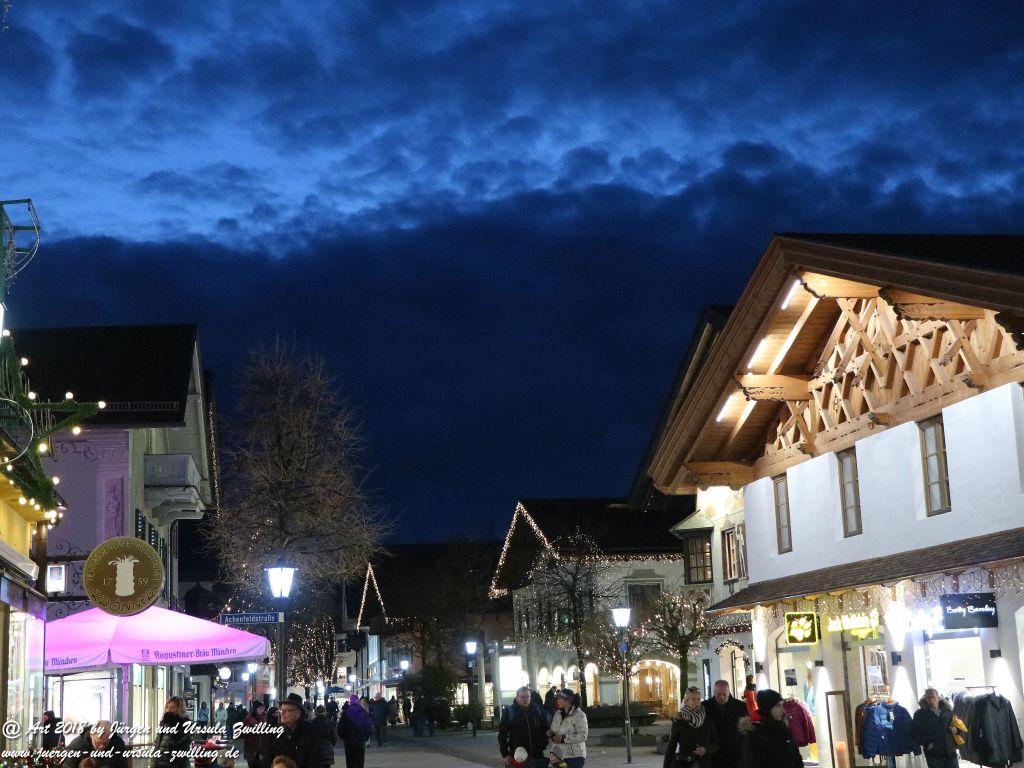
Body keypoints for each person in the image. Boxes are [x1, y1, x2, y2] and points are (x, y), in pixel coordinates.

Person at [741, 690, 803, 768]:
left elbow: (797, 758)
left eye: (782, 705)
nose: (782, 710)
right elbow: (752, 763)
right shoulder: (754, 733)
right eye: (778, 706)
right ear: (767, 708)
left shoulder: (784, 729)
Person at [268, 693, 328, 768]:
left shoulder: (310, 732)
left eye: (287, 711)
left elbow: (316, 760)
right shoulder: (275, 731)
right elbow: (269, 757)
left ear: (298, 713)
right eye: (281, 710)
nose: (282, 713)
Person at [666, 687, 720, 768]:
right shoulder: (680, 720)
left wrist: (705, 750)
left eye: (699, 699)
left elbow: (716, 743)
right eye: (694, 699)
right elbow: (671, 746)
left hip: (704, 763)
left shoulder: (707, 720)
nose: (697, 702)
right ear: (686, 701)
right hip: (685, 763)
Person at [912, 688, 967, 768]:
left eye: (933, 697)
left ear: (938, 697)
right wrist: (926, 743)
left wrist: (957, 730)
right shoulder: (920, 714)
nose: (931, 700)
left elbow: (959, 726)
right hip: (934, 755)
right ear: (925, 698)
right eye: (928, 697)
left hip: (950, 752)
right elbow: (915, 733)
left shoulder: (948, 711)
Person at [499, 686, 549, 767]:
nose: (525, 699)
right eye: (522, 697)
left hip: (537, 756)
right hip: (518, 756)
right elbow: (502, 735)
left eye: (527, 696)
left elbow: (545, 728)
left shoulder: (538, 710)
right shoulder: (510, 712)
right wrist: (505, 754)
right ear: (517, 697)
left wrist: (544, 745)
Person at [703, 681, 748, 768]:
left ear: (729, 692)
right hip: (713, 753)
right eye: (718, 694)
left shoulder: (741, 706)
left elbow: (746, 730)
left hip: (735, 753)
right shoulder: (705, 706)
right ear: (714, 692)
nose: (721, 697)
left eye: (724, 694)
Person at [547, 689, 589, 768]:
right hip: (558, 755)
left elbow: (583, 736)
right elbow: (554, 730)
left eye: (559, 698)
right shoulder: (558, 713)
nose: (557, 700)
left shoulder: (579, 715)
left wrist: (563, 738)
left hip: (575, 756)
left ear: (567, 700)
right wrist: (551, 734)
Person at [62, 721, 129, 768]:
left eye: (105, 743)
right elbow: (69, 766)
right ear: (91, 735)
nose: (101, 747)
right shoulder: (77, 745)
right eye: (98, 743)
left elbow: (123, 766)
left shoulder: (118, 744)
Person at [152, 696, 192, 768]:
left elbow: (181, 747)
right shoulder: (164, 724)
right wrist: (153, 763)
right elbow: (156, 745)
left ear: (179, 709)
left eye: (173, 707)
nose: (169, 710)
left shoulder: (184, 724)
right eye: (167, 707)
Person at [337, 695, 373, 768]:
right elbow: (368, 725)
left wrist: (343, 737)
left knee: (350, 759)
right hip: (360, 739)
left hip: (348, 740)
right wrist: (366, 736)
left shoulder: (346, 713)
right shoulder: (363, 712)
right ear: (357, 701)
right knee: (359, 759)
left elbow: (340, 727)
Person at [243, 702, 270, 768]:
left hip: (262, 749)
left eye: (263, 708)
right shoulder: (248, 719)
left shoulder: (264, 718)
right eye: (260, 708)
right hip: (251, 749)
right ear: (255, 709)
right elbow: (244, 733)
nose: (262, 710)